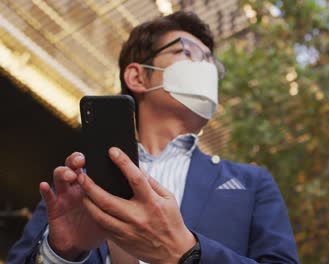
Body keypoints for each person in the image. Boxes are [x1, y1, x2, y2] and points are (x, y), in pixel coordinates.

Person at [7, 11, 299, 264]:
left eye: (211, 62)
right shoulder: (78, 181)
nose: (206, 68)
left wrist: (185, 252)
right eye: (187, 52)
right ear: (137, 77)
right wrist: (60, 252)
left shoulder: (252, 183)